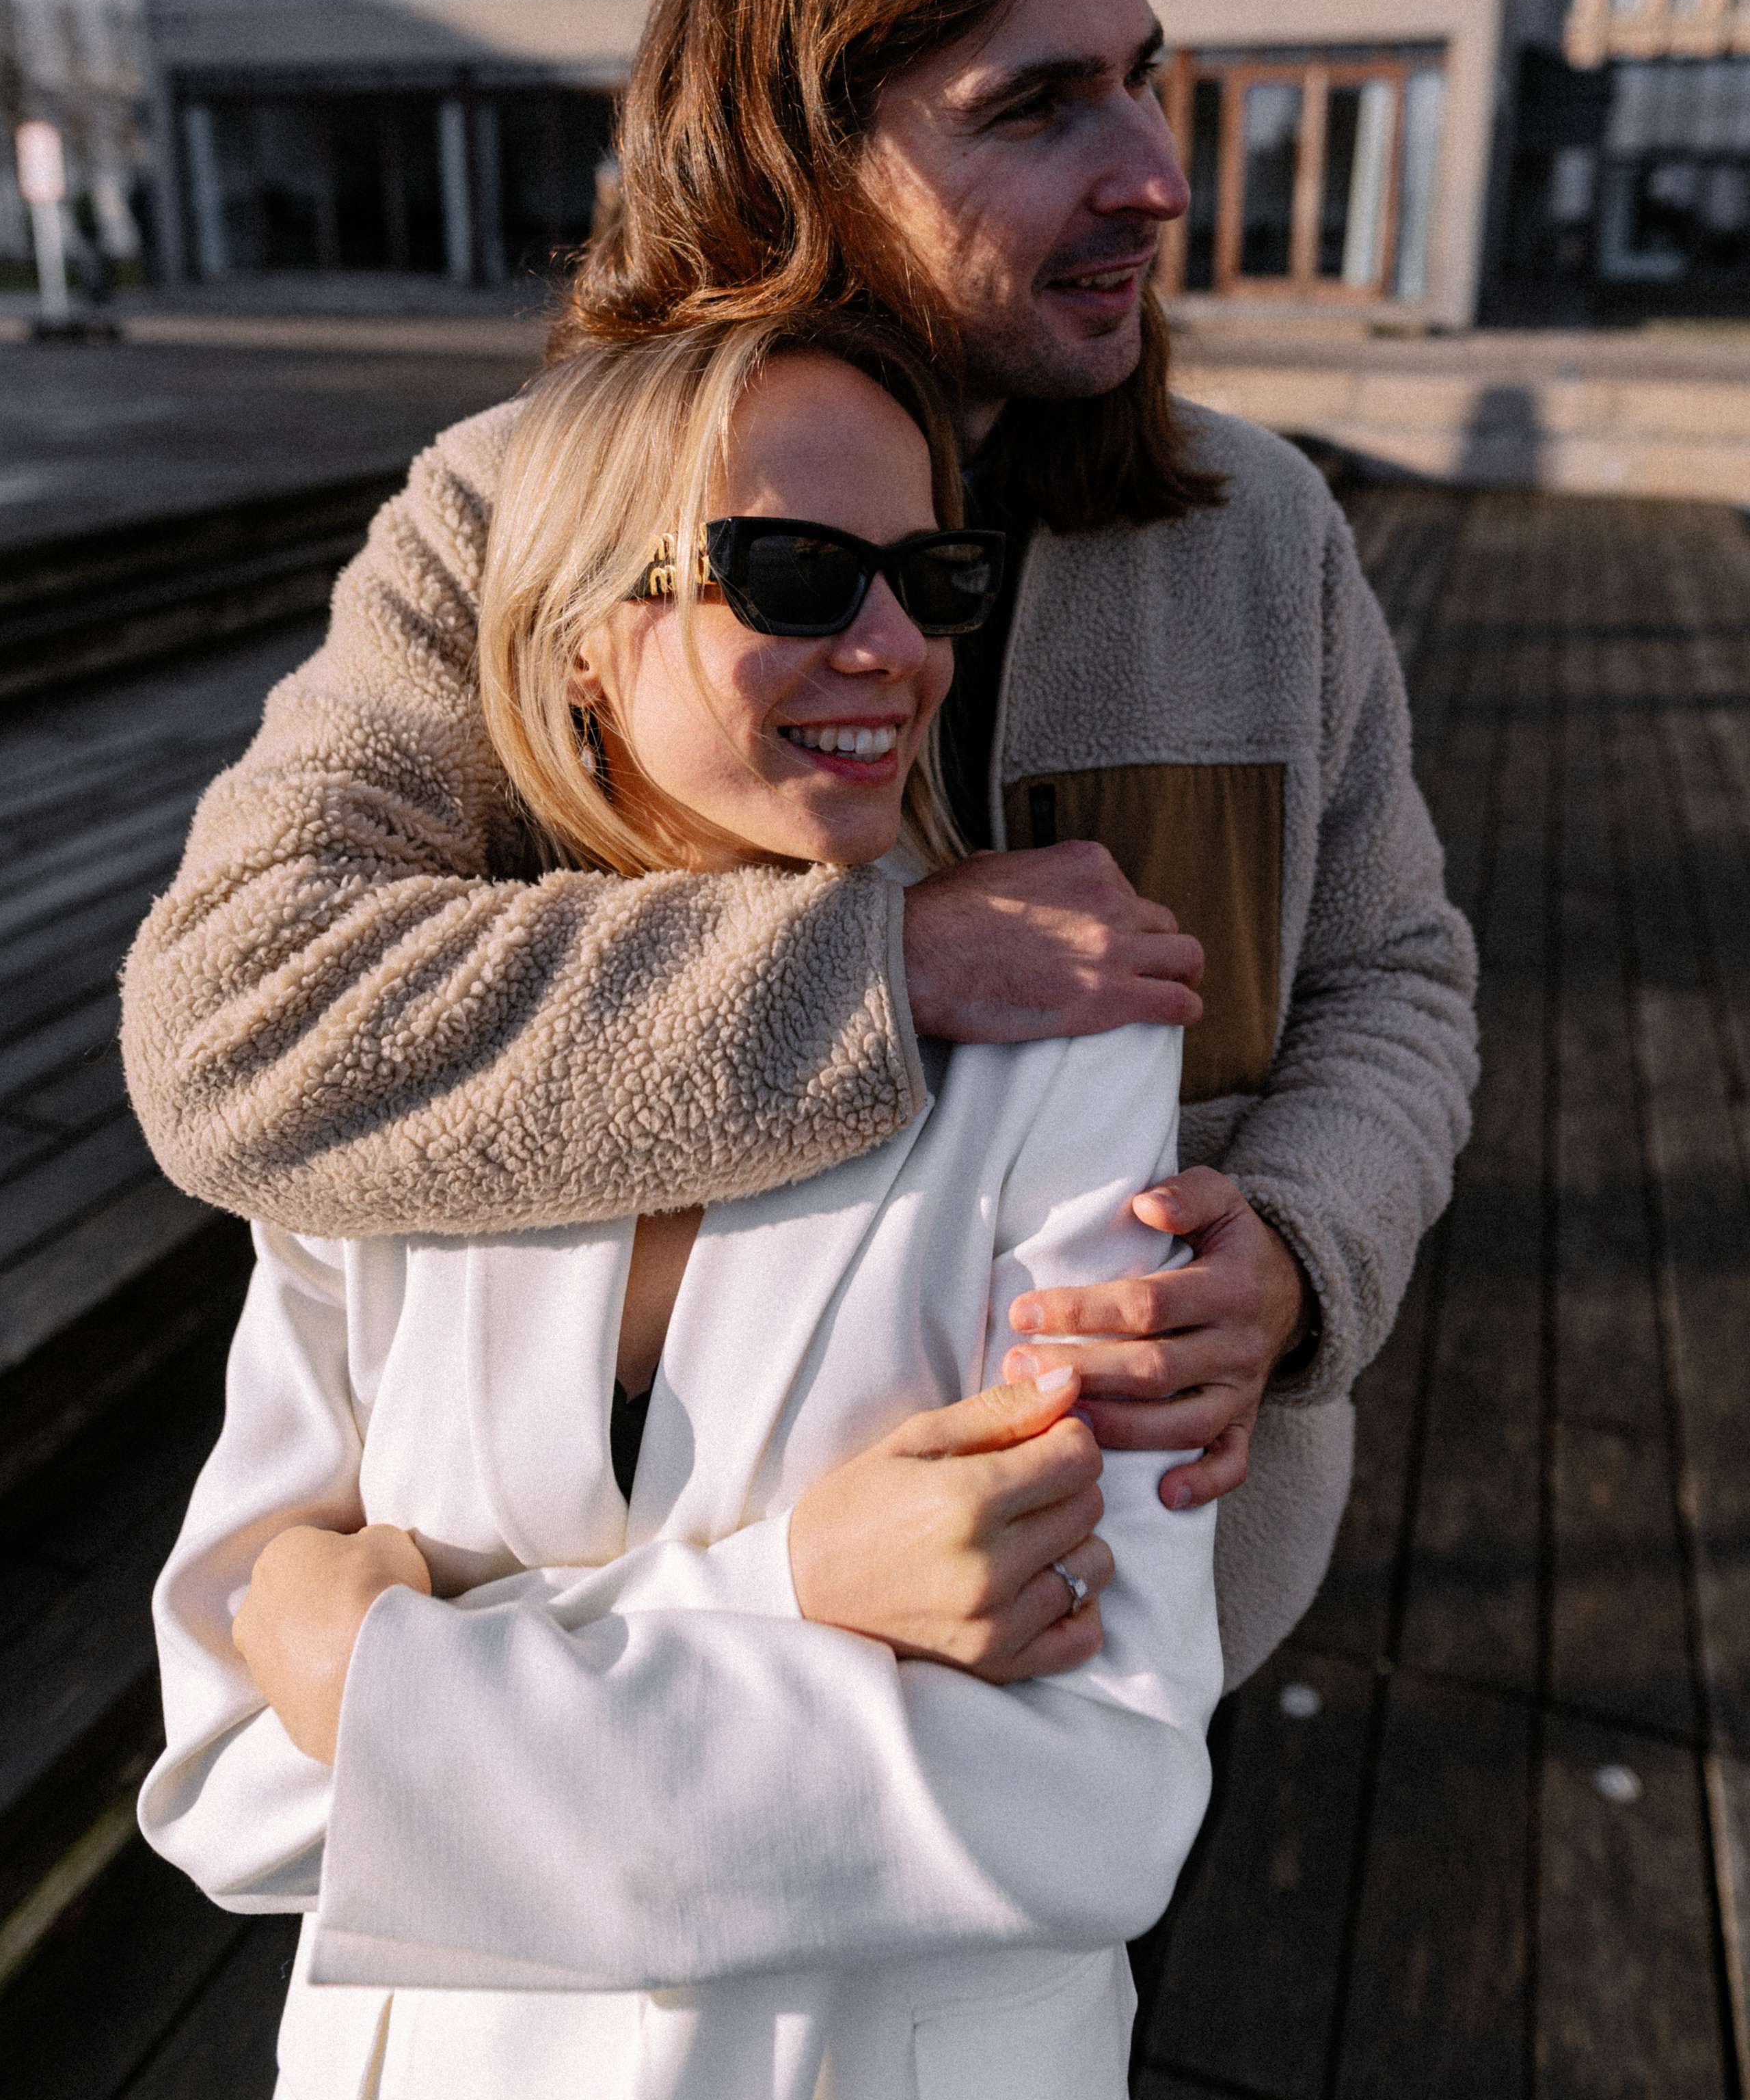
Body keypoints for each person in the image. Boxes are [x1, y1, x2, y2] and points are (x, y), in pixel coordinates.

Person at [121, 0, 1477, 1699]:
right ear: (795, 144)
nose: (1156, 173)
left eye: (1141, 74)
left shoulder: (1259, 533)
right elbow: (229, 1025)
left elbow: (1396, 973)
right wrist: (884, 963)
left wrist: (1298, 1248)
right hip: (658, 1675)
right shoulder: (512, 523)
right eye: (1037, 106)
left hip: (1155, 1634)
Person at [142, 318, 1224, 2099]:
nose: (894, 646)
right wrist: (801, 1595)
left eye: (927, 577)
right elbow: (226, 1778)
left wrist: (388, 1684)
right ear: (581, 643)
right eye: (793, 575)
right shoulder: (415, 1086)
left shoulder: (1073, 1043)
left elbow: (1095, 1801)